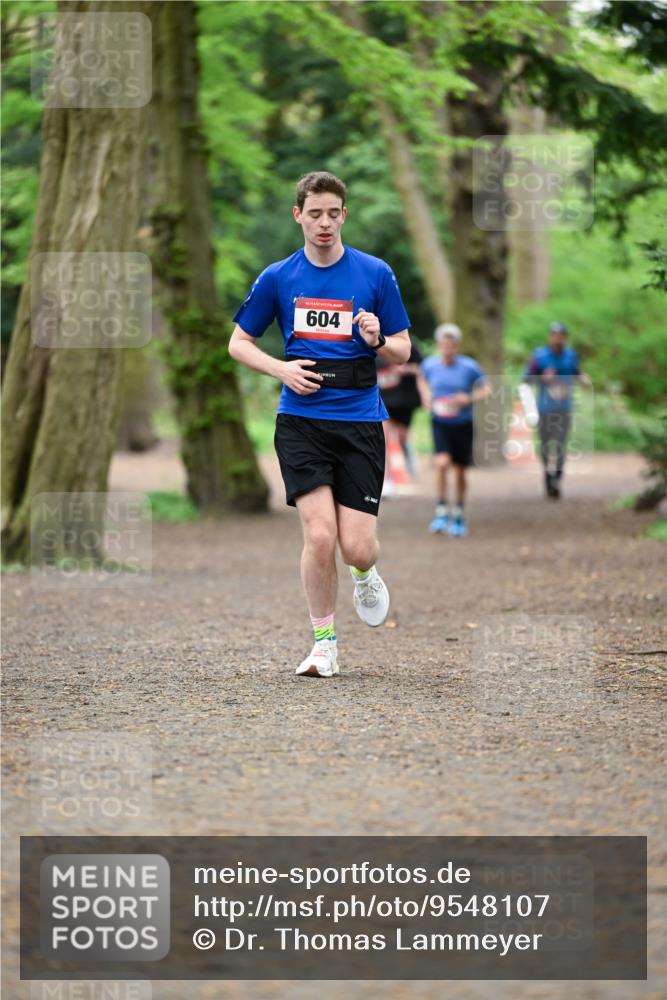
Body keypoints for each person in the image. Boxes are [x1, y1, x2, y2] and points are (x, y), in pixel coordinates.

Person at [229, 171, 411, 678]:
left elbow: (403, 348)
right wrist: (281, 368)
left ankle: (366, 572)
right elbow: (238, 343)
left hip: (359, 422)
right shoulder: (278, 277)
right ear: (298, 216)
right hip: (300, 421)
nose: (324, 223)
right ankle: (324, 644)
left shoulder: (375, 274)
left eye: (333, 213)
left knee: (355, 546)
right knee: (320, 537)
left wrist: (377, 339)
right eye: (315, 214)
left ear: (344, 215)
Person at [417, 323, 489, 537]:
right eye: (443, 345)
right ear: (439, 345)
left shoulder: (469, 367)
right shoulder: (430, 365)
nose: (447, 349)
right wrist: (425, 396)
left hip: (462, 424)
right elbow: (421, 379)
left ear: (457, 346)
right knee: (441, 463)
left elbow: (486, 388)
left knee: (459, 471)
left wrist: (468, 398)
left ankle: (458, 513)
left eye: (451, 345)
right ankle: (440, 510)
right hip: (440, 422)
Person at [523, 321, 591, 499]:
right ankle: (548, 474)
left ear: (564, 338)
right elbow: (526, 379)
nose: (557, 339)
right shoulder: (539, 356)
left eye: (561, 336)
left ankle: (557, 477)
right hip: (545, 408)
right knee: (546, 445)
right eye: (554, 335)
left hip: (564, 408)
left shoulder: (571, 355)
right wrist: (543, 378)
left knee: (560, 445)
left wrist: (584, 379)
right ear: (550, 336)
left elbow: (577, 373)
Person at [376, 339, 423, 496]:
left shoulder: (407, 342)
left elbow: (423, 368)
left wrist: (404, 369)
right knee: (385, 440)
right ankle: (387, 481)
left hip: (404, 401)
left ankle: (408, 457)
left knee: (402, 436)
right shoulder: (367, 341)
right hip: (382, 400)